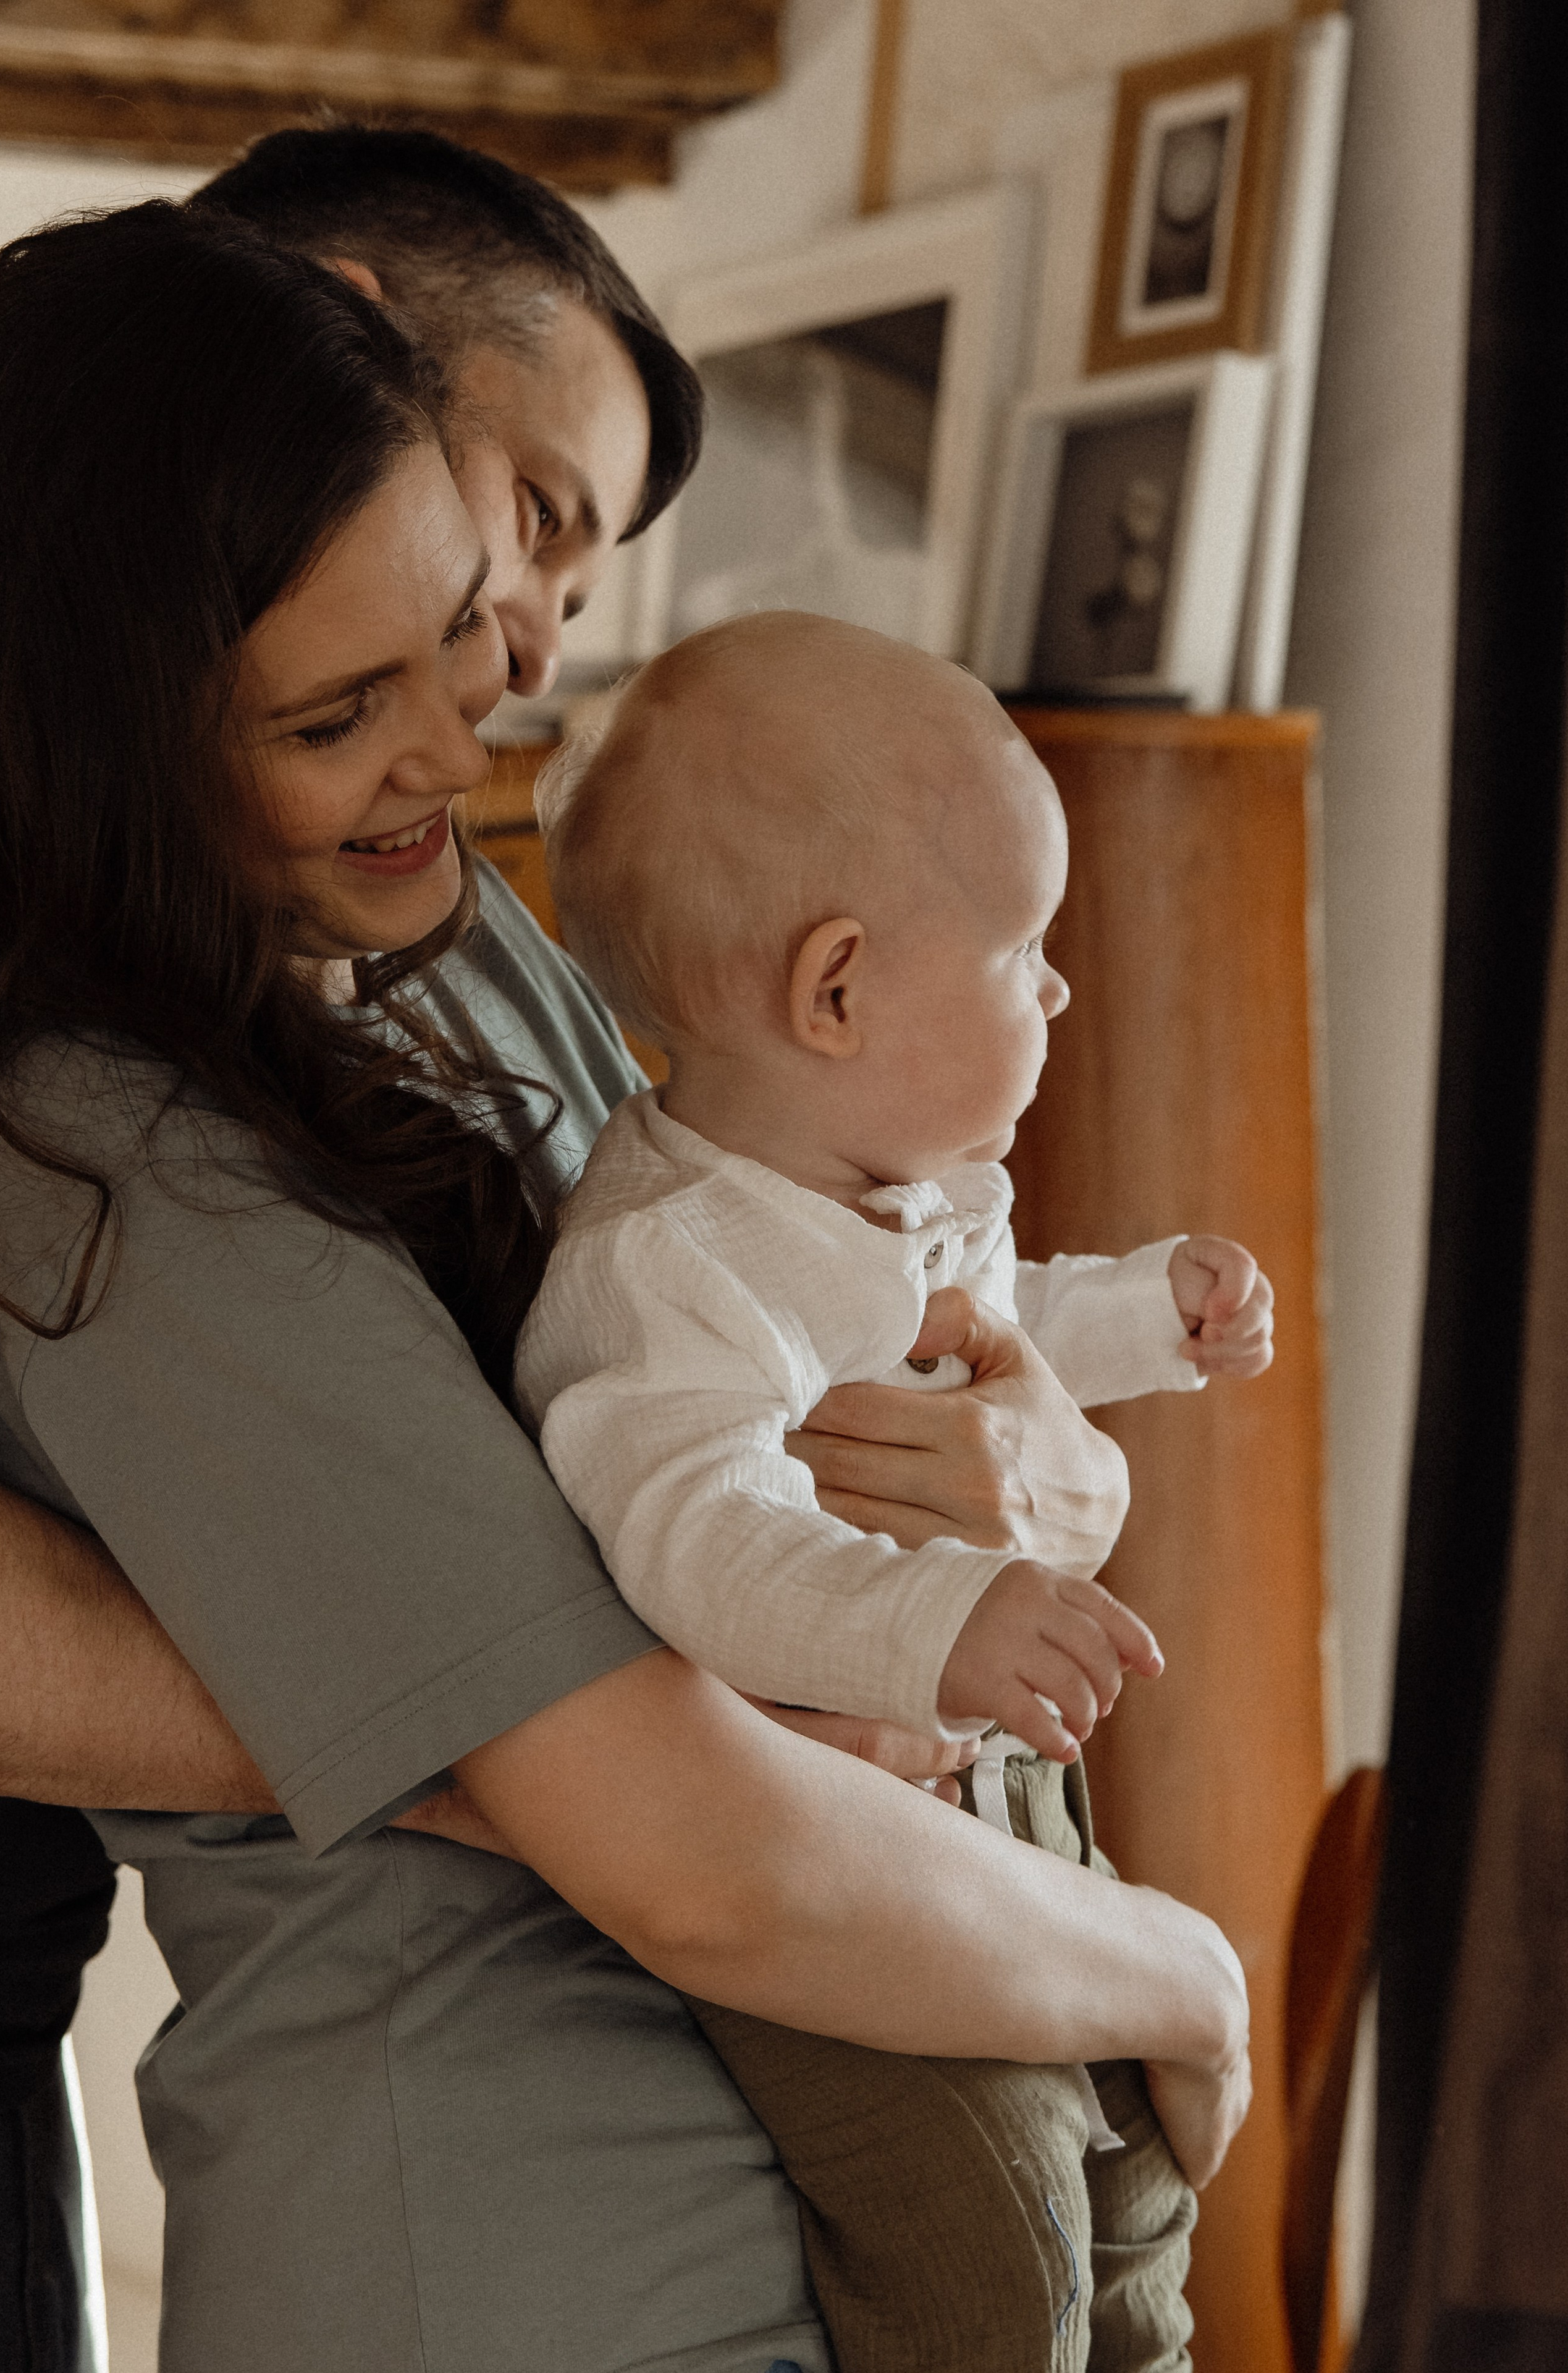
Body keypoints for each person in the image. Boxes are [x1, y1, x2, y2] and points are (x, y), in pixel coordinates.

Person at [0, 200, 1250, 2372]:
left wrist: (1029, 1430)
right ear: (121, 730)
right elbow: (679, 1839)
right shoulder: (112, 1159)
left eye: (465, 628)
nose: (469, 740)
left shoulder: (443, 940)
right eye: (337, 712)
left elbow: (817, 1328)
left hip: (767, 2153)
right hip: (520, 2248)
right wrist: (1175, 1977)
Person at [0, 121, 702, 2371]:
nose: (511, 649)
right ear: (357, 350)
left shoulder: (385, 918)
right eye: (535, 522)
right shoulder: (89, 1112)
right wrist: (493, 1720)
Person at [518, 613, 1275, 2372]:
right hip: (833, 1873)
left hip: (997, 1810)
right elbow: (701, 1541)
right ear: (839, 990)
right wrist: (946, 1612)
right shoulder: (671, 1272)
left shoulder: (894, 1182)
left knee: (1139, 2162)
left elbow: (992, 1326)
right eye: (1026, 950)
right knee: (993, 2238)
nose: (1060, 990)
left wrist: (1145, 1313)